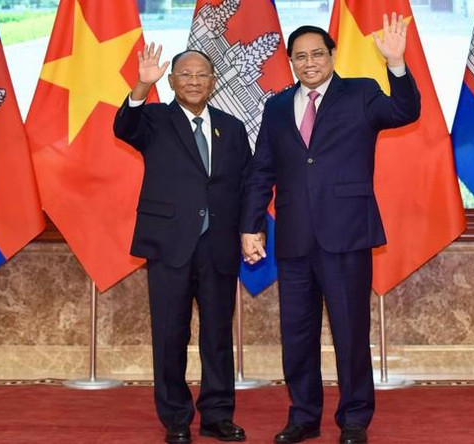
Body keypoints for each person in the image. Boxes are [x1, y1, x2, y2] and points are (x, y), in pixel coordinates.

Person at [240, 15, 420, 444]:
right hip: (295, 237)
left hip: (346, 233)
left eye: (317, 54)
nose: (309, 62)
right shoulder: (277, 105)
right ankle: (303, 417)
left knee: (349, 331)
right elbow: (262, 168)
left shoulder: (359, 92)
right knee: (296, 334)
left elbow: (404, 110)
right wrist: (250, 226)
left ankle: (354, 418)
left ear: (332, 56)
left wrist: (396, 63)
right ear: (290, 63)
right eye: (299, 57)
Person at [114, 44, 250, 444]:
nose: (194, 81)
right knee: (171, 333)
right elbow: (125, 127)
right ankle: (175, 418)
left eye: (201, 75)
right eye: (185, 75)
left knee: (217, 336)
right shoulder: (154, 119)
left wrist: (249, 229)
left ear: (213, 82)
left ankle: (217, 415)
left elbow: (244, 185)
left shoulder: (233, 127)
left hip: (219, 246)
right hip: (169, 244)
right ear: (172, 82)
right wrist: (141, 84)